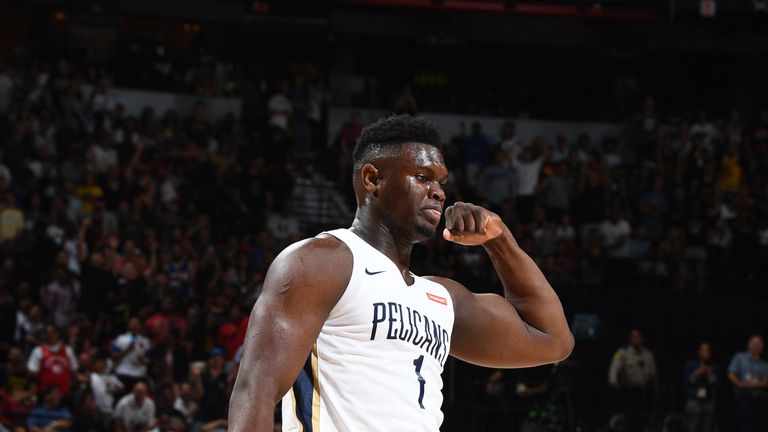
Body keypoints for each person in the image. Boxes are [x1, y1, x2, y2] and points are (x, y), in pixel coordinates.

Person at [228, 115, 573, 431]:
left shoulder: (441, 298)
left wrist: (500, 240)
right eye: (422, 178)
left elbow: (552, 339)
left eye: (441, 182)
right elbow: (255, 391)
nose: (438, 192)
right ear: (373, 178)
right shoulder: (321, 262)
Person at [608, 329, 657, 432]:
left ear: (642, 339)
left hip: (645, 391)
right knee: (630, 418)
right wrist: (613, 380)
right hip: (629, 390)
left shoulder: (648, 354)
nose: (636, 340)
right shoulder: (622, 352)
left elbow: (653, 373)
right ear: (630, 339)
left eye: (638, 337)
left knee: (644, 419)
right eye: (633, 337)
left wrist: (655, 387)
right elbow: (614, 367)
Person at [728, 335, 768, 432]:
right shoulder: (739, 357)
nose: (756, 346)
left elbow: (766, 381)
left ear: (762, 347)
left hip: (759, 400)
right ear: (749, 345)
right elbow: (731, 374)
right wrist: (740, 384)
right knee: (744, 425)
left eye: (758, 344)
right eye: (754, 344)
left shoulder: (765, 364)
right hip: (742, 397)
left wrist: (757, 384)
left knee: (759, 425)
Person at [683, 341, 717, 432]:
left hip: (708, 400)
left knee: (707, 427)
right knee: (692, 426)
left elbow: (715, 383)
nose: (705, 353)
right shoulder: (691, 364)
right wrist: (698, 372)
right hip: (694, 400)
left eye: (707, 351)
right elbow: (686, 381)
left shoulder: (712, 366)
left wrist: (709, 374)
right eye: (703, 350)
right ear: (699, 352)